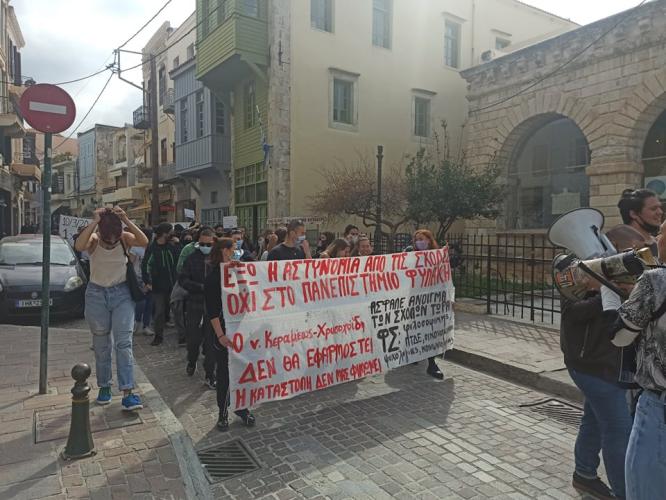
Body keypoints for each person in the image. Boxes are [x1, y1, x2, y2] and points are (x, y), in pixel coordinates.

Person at [559, 225, 643, 499]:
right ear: (614, 248)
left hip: (609, 363)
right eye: (630, 251)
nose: (634, 257)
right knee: (618, 430)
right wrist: (606, 290)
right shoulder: (576, 270)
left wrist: (625, 291)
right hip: (589, 363)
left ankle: (584, 474)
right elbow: (572, 313)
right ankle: (623, 492)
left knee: (594, 419)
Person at [74, 206, 149, 411]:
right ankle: (105, 386)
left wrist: (126, 219)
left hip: (122, 293)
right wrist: (94, 221)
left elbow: (144, 241)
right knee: (101, 345)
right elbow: (79, 245)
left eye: (115, 239)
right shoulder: (94, 239)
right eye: (109, 240)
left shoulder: (124, 237)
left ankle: (128, 392)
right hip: (96, 294)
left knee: (124, 343)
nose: (112, 243)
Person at [204, 238, 256, 430]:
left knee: (242, 370)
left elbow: (247, 295)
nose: (236, 252)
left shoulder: (236, 272)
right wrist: (220, 336)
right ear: (224, 251)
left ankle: (242, 408)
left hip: (241, 328)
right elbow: (212, 311)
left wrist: (240, 273)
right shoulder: (213, 277)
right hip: (223, 331)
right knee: (225, 373)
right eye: (233, 249)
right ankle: (223, 412)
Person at [179, 228, 217, 388]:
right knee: (193, 339)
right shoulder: (191, 259)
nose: (205, 247)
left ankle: (210, 374)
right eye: (202, 244)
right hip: (195, 304)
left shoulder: (218, 259)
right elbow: (183, 280)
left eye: (209, 244)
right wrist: (200, 287)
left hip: (213, 307)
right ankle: (192, 360)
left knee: (211, 342)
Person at [408, 229, 445, 380]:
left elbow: (444, 276)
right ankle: (414, 351)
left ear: (429, 240)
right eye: (416, 239)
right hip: (415, 298)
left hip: (432, 299)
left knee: (430, 329)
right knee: (416, 327)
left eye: (421, 239)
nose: (419, 242)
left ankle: (432, 363)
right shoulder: (411, 255)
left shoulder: (437, 256)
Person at [142, 223, 179, 346]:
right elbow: (146, 266)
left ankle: (183, 336)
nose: (173, 234)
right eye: (171, 232)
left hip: (173, 285)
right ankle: (158, 336)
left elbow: (179, 261)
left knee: (177, 311)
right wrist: (148, 282)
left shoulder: (171, 247)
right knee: (159, 312)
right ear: (164, 233)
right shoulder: (152, 249)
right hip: (158, 286)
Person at [617, 188, 664, 260]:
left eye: (660, 207)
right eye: (653, 209)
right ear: (634, 214)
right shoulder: (618, 246)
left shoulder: (659, 243)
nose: (660, 212)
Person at [130, 228, 154, 336]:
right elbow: (130, 264)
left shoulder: (152, 249)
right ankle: (137, 323)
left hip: (150, 279)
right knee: (141, 302)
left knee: (149, 303)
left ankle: (146, 325)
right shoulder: (135, 248)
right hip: (138, 278)